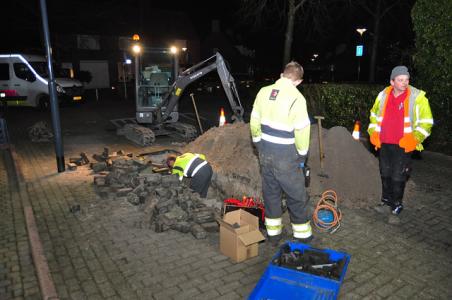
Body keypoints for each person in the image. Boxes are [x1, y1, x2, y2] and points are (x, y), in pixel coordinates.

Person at [250, 61, 312, 245]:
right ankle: (302, 236)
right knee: (296, 195)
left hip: (265, 151)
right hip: (286, 155)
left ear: (282, 74)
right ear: (298, 81)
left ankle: (274, 235)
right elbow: (302, 130)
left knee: (271, 194)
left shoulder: (263, 91)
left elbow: (254, 121)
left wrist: (258, 144)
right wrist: (302, 154)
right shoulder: (297, 98)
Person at [368, 66, 433, 223]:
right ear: (392, 81)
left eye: (407, 80)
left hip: (404, 145)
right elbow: (374, 115)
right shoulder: (383, 95)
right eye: (400, 80)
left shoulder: (418, 97)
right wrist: (373, 134)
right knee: (385, 173)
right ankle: (385, 202)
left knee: (398, 176)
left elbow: (426, 122)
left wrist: (415, 139)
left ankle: (396, 207)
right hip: (384, 142)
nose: (405, 83)